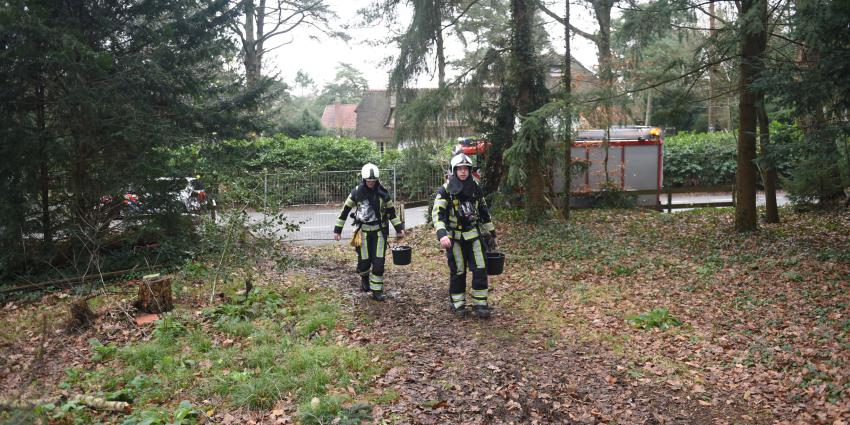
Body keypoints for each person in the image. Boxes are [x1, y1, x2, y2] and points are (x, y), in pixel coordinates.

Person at [432, 153, 496, 318]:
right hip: (454, 239)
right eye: (459, 169)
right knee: (458, 271)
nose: (463, 172)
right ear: (454, 170)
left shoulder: (475, 187)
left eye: (466, 169)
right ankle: (458, 303)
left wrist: (492, 233)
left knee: (480, 268)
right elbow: (437, 214)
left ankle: (480, 304)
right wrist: (442, 235)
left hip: (474, 235)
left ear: (469, 170)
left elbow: (484, 211)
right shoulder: (445, 190)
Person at [334, 163, 405, 301]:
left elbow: (391, 212)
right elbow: (345, 210)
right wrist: (338, 230)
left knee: (378, 263)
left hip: (379, 232)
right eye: (369, 181)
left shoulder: (383, 192)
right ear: (364, 179)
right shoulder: (356, 192)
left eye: (373, 181)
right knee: (364, 262)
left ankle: (377, 291)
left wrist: (399, 228)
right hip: (363, 232)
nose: (371, 183)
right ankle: (364, 278)